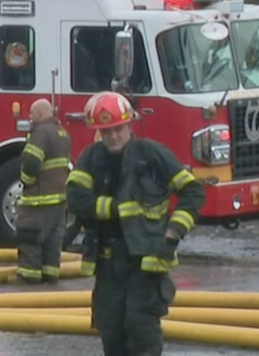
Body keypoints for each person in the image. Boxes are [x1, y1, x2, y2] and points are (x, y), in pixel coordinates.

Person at [67, 91, 205, 356]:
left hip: (148, 260)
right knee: (111, 329)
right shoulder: (90, 158)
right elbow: (75, 198)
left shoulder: (152, 155)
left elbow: (193, 192)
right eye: (106, 131)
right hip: (108, 263)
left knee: (140, 326)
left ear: (130, 125)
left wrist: (173, 233)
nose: (113, 136)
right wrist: (114, 210)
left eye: (118, 129)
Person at [11, 99, 71, 285]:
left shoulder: (41, 133)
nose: (29, 118)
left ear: (39, 114)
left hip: (39, 197)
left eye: (31, 114)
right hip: (59, 199)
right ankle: (50, 274)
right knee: (53, 241)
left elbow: (31, 161)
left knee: (30, 236)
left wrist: (26, 182)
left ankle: (29, 276)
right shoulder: (62, 133)